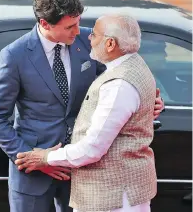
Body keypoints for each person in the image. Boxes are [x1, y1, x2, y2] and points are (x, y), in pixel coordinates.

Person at [0, 0, 164, 211]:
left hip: (81, 170)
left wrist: (148, 102)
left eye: (78, 22)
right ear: (45, 24)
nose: (79, 31)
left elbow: (120, 78)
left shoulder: (91, 41)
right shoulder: (14, 55)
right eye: (70, 26)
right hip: (32, 173)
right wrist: (32, 158)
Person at [15, 14, 157, 212]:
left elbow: (92, 149)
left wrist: (46, 158)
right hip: (123, 192)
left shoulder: (118, 85)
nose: (88, 38)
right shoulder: (133, 64)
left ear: (110, 44)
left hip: (111, 196)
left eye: (94, 35)